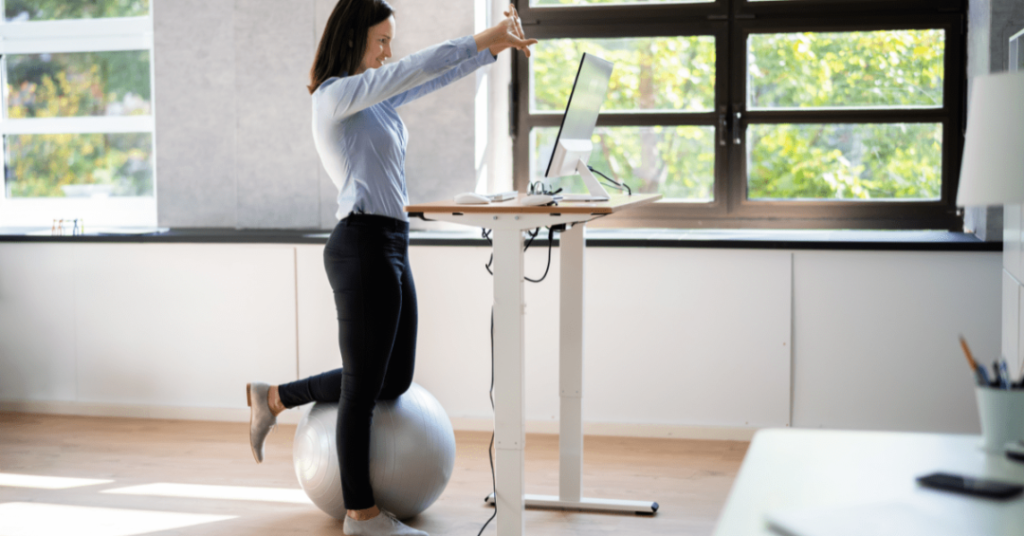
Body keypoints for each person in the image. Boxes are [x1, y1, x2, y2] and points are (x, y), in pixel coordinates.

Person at [246, 1, 536, 535]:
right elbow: (414, 68)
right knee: (363, 389)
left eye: (389, 41)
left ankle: (274, 397)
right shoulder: (336, 96)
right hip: (361, 245)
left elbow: (424, 81)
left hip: (392, 244)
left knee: (392, 379)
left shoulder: (374, 101)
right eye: (380, 41)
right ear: (352, 37)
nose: (387, 53)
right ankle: (362, 516)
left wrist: (490, 52)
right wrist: (479, 37)